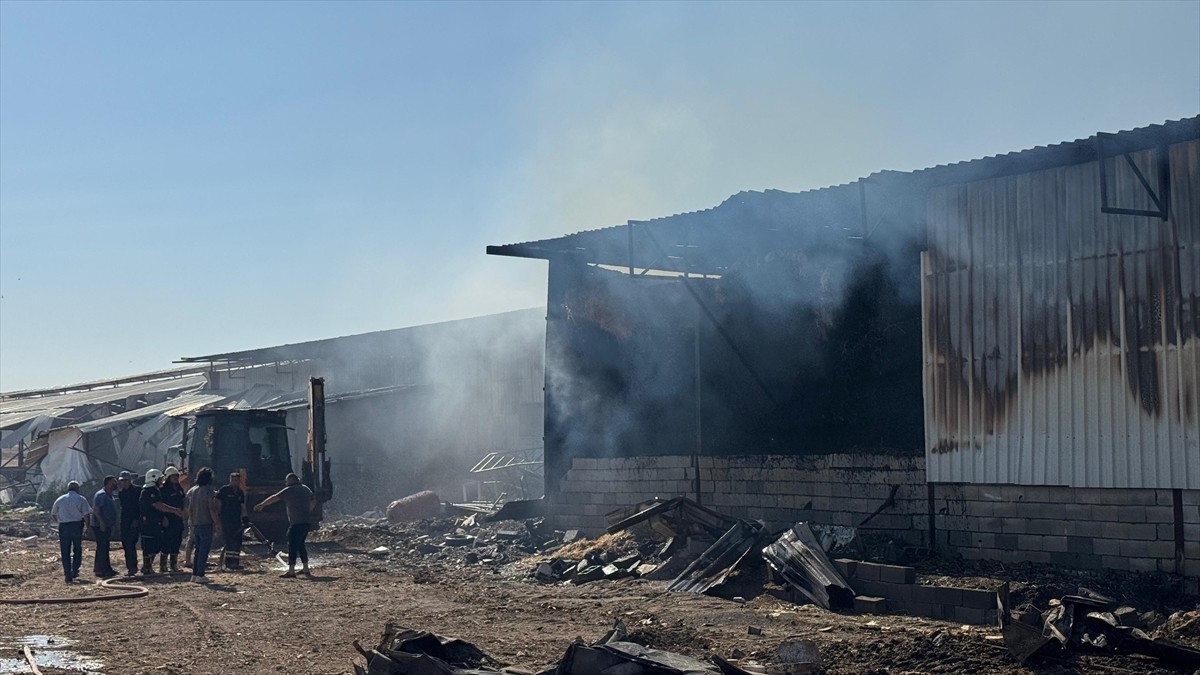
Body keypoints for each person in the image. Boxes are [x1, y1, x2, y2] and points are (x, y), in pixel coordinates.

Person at [254, 473, 314, 578]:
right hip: (306, 522)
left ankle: (291, 571)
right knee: (301, 545)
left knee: (292, 545)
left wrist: (262, 505)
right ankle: (305, 568)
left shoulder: (290, 490)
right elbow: (314, 500)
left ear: (290, 481)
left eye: (286, 481)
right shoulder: (305, 488)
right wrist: (308, 510)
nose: (285, 483)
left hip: (296, 523)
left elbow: (275, 497)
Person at [139, 469, 182, 575]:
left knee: (155, 544)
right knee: (149, 545)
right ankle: (147, 568)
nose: (161, 480)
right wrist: (174, 510)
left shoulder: (154, 490)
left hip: (155, 521)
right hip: (149, 522)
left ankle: (149, 567)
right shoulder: (150, 491)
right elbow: (159, 505)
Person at [184, 467, 222, 583]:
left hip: (196, 524)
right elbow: (211, 508)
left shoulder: (194, 491)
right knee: (204, 550)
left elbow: (190, 509)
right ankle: (201, 574)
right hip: (206, 523)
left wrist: (193, 522)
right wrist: (217, 523)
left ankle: (195, 574)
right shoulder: (208, 490)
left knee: (198, 550)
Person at [50, 481, 91, 583]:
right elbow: (86, 514)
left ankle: (67, 572)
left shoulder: (60, 499)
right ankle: (75, 569)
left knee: (65, 550)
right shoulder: (81, 499)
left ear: (68, 489)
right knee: (77, 548)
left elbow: (53, 513)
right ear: (77, 489)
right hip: (77, 525)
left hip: (64, 526)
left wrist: (59, 521)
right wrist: (88, 527)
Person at [216, 472, 249, 570]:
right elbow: (217, 503)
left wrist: (245, 518)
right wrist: (218, 517)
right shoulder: (224, 490)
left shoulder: (240, 492)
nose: (235, 482)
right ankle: (228, 562)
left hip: (236, 519)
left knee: (238, 540)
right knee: (229, 540)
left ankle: (235, 562)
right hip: (226, 519)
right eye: (233, 480)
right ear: (230, 480)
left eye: (237, 480)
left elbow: (243, 506)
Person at [158, 466, 186, 573]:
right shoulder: (163, 489)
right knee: (166, 541)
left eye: (176, 476)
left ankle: (174, 565)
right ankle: (163, 566)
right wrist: (163, 518)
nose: (175, 478)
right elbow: (161, 505)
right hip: (168, 519)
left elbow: (182, 500)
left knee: (176, 540)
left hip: (177, 519)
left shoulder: (179, 488)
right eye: (172, 476)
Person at [90, 476, 119, 578]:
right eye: (113, 482)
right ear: (107, 483)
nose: (116, 484)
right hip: (100, 526)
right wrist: (102, 523)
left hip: (107, 525)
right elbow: (96, 510)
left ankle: (102, 569)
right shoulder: (101, 495)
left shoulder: (109, 495)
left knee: (104, 547)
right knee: (103, 547)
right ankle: (103, 570)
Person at [116, 471, 141, 576]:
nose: (124, 482)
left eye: (126, 480)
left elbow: (140, 507)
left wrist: (136, 519)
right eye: (122, 480)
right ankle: (130, 567)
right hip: (125, 521)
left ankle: (133, 566)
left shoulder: (137, 490)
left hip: (134, 520)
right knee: (126, 544)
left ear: (130, 480)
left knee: (131, 544)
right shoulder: (121, 493)